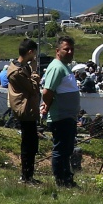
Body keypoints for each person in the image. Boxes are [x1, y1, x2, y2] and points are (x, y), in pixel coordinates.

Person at [40, 36, 82, 188]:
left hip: (67, 116)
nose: (70, 52)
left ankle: (66, 177)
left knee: (67, 149)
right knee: (61, 149)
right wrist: (48, 104)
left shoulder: (64, 66)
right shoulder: (57, 67)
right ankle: (61, 180)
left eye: (72, 49)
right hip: (61, 116)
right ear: (58, 51)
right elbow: (47, 91)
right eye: (66, 49)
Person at [7, 39, 42, 183]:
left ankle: (29, 175)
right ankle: (27, 176)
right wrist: (34, 72)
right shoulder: (16, 72)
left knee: (32, 144)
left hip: (28, 109)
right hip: (25, 110)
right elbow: (32, 87)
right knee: (28, 145)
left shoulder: (21, 67)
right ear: (30, 52)